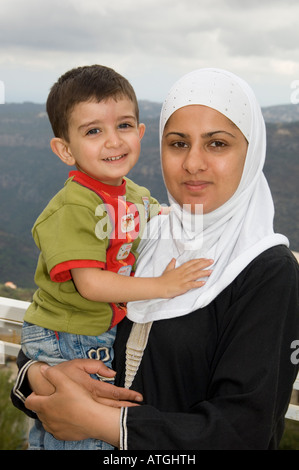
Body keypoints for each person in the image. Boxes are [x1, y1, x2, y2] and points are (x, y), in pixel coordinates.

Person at [12, 68, 299, 450]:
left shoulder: (266, 271)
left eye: (217, 144)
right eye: (178, 143)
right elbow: (47, 339)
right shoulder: (144, 231)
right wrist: (45, 377)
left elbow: (245, 431)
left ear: (252, 151)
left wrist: (98, 420)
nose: (193, 163)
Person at [19, 64, 212, 450]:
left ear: (140, 134)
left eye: (124, 126)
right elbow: (90, 284)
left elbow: (157, 212)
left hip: (96, 331)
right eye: (94, 131)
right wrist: (161, 286)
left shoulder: (133, 194)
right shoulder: (73, 207)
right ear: (65, 149)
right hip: (68, 334)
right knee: (81, 433)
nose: (113, 141)